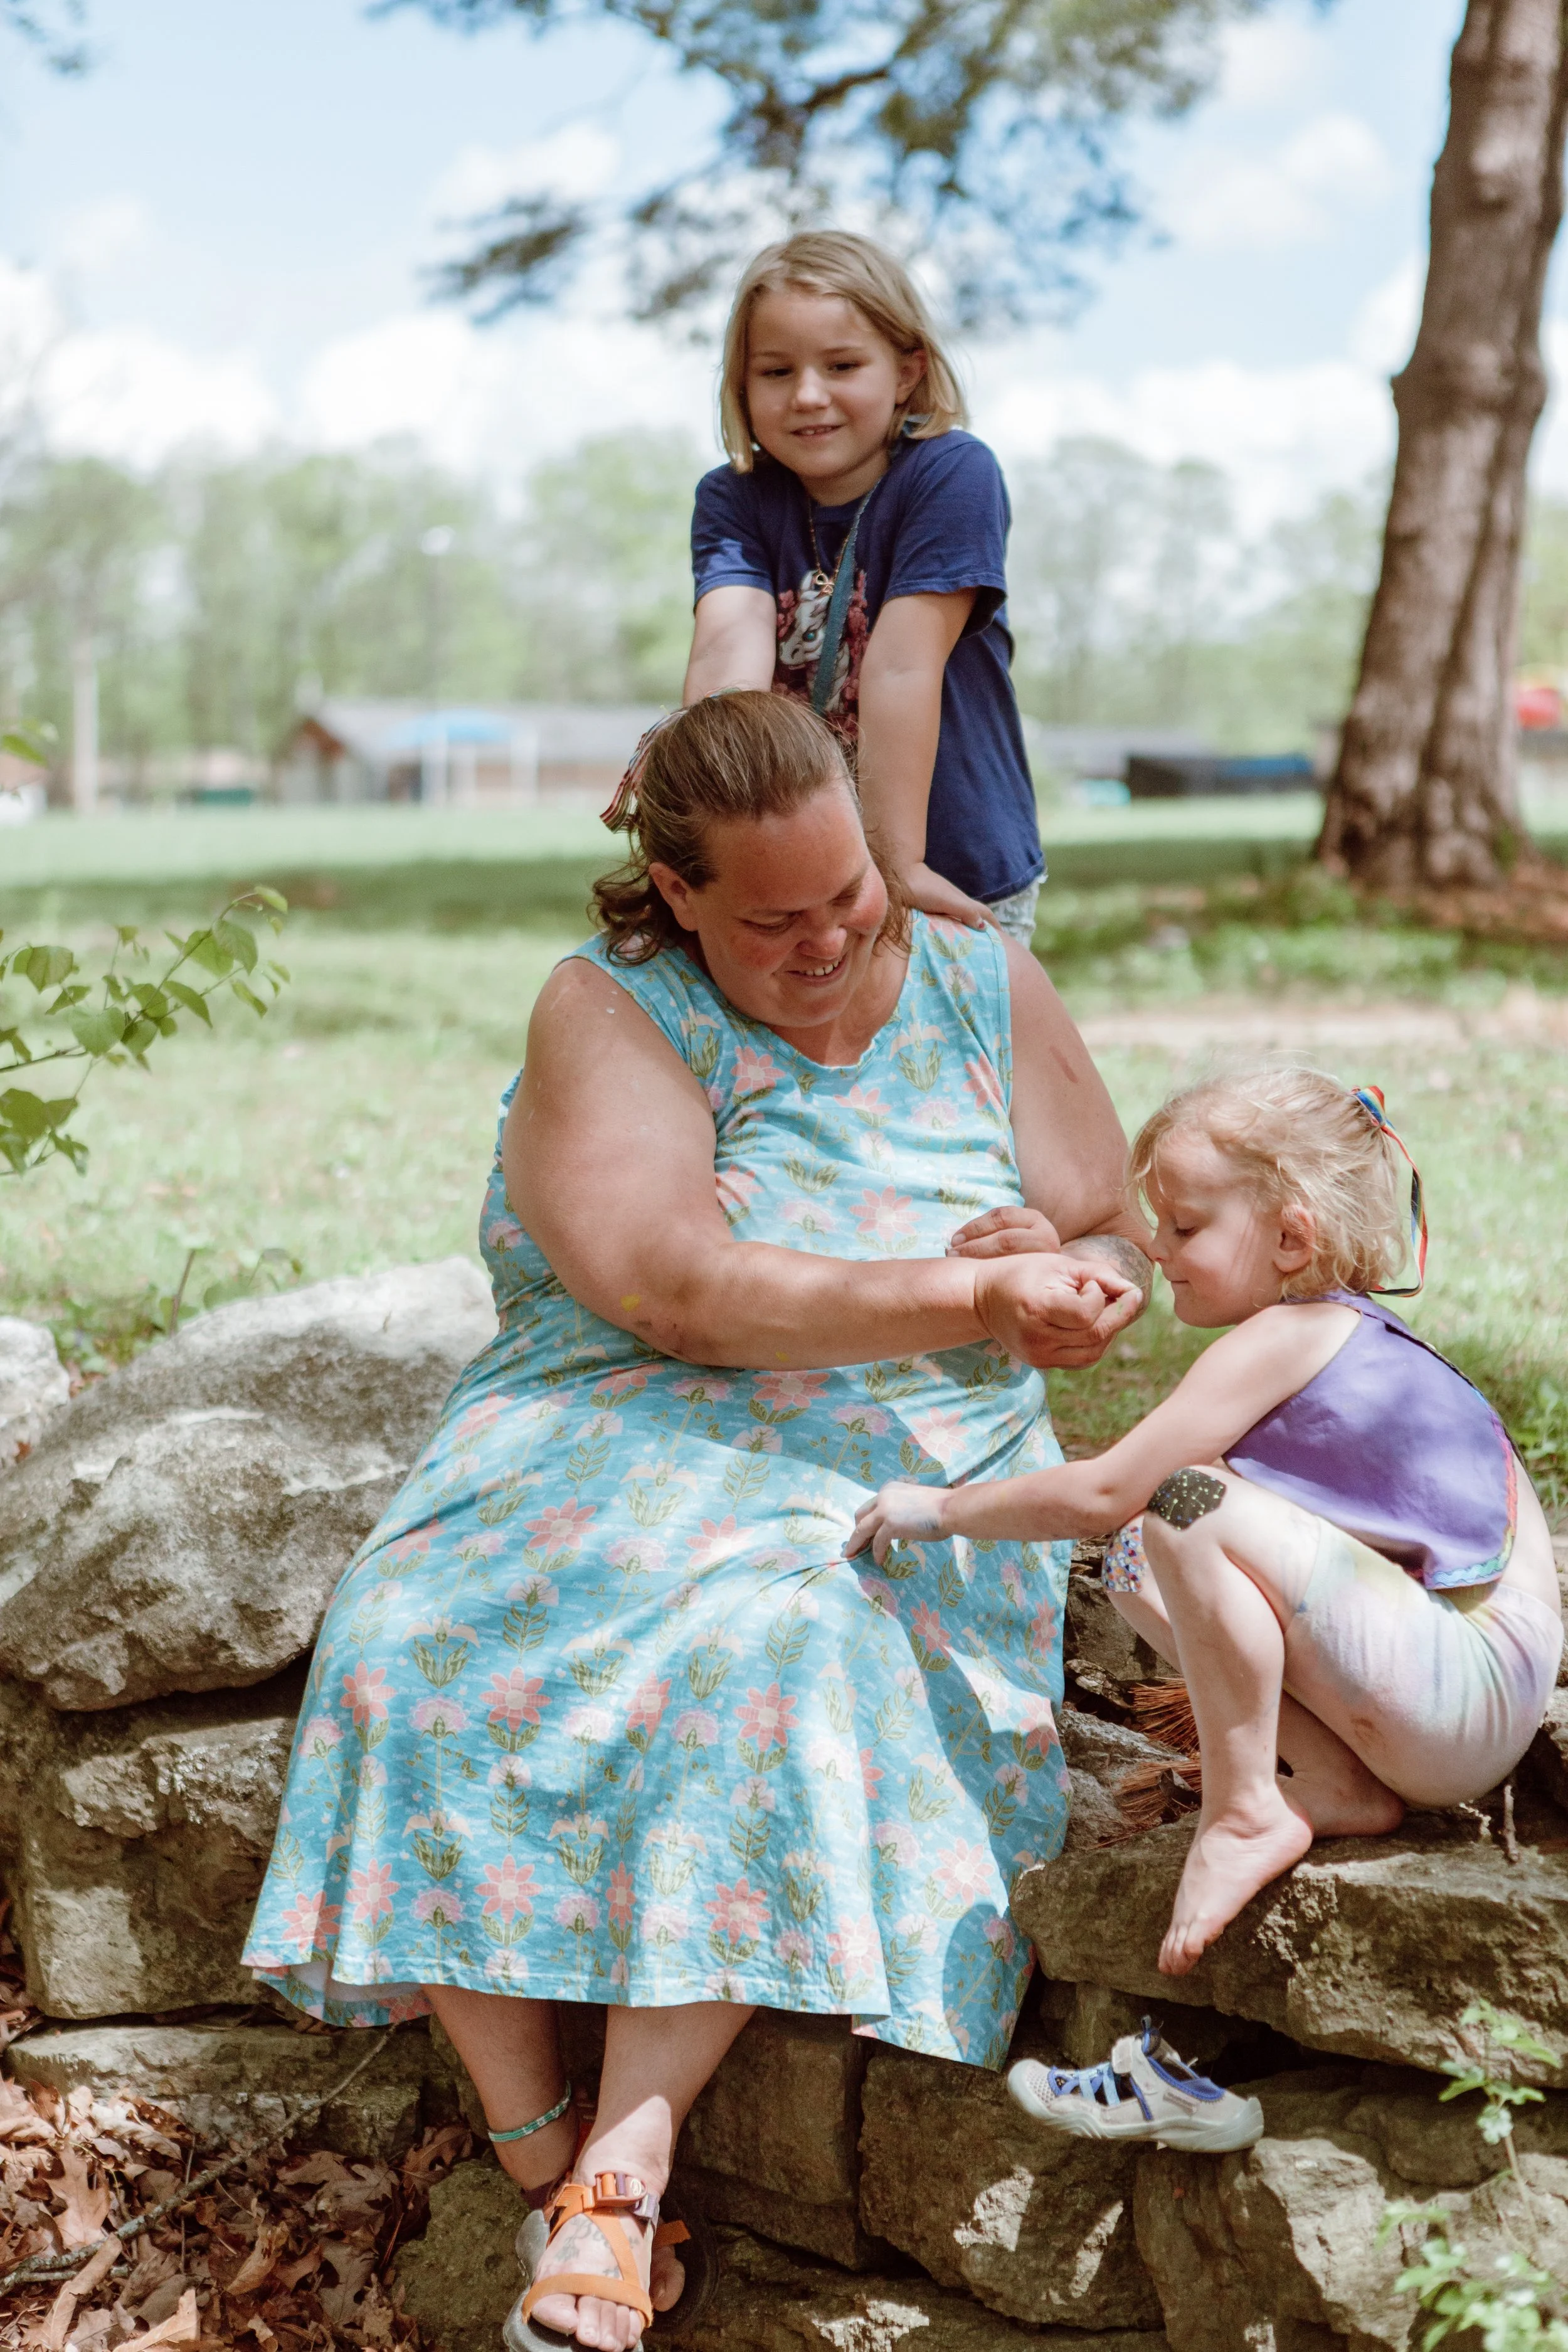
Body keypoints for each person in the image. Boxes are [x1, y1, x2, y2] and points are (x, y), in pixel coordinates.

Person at [243, 691, 1152, 2352]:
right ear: (674, 890)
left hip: (892, 1458)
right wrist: (967, 1280)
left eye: (852, 898)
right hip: (602, 1418)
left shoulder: (976, 980)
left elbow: (1109, 1221)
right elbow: (671, 1290)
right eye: (774, 917)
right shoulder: (613, 1010)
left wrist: (1078, 1269)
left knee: (780, 1628)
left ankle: (621, 2172)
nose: (827, 939)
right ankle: (540, 2152)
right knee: (403, 1634)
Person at [852, 1064, 1563, 1996]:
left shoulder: (1286, 1334)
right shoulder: (1345, 1335)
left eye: (1184, 1227)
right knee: (1143, 1556)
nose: (1156, 1246)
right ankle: (1334, 1782)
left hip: (1462, 1690)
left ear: (1290, 1237)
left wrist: (939, 1508)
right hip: (1452, 1697)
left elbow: (1108, 1488)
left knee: (1182, 1503)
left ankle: (1243, 1811)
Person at [685, 230, 1046, 942]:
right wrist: (701, 828)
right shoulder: (734, 497)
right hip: (795, 880)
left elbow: (903, 667)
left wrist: (896, 863)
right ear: (741, 385)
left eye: (842, 364)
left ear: (907, 371)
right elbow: (728, 657)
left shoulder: (951, 474)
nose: (808, 395)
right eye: (776, 372)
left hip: (945, 863)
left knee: (943, 1058)